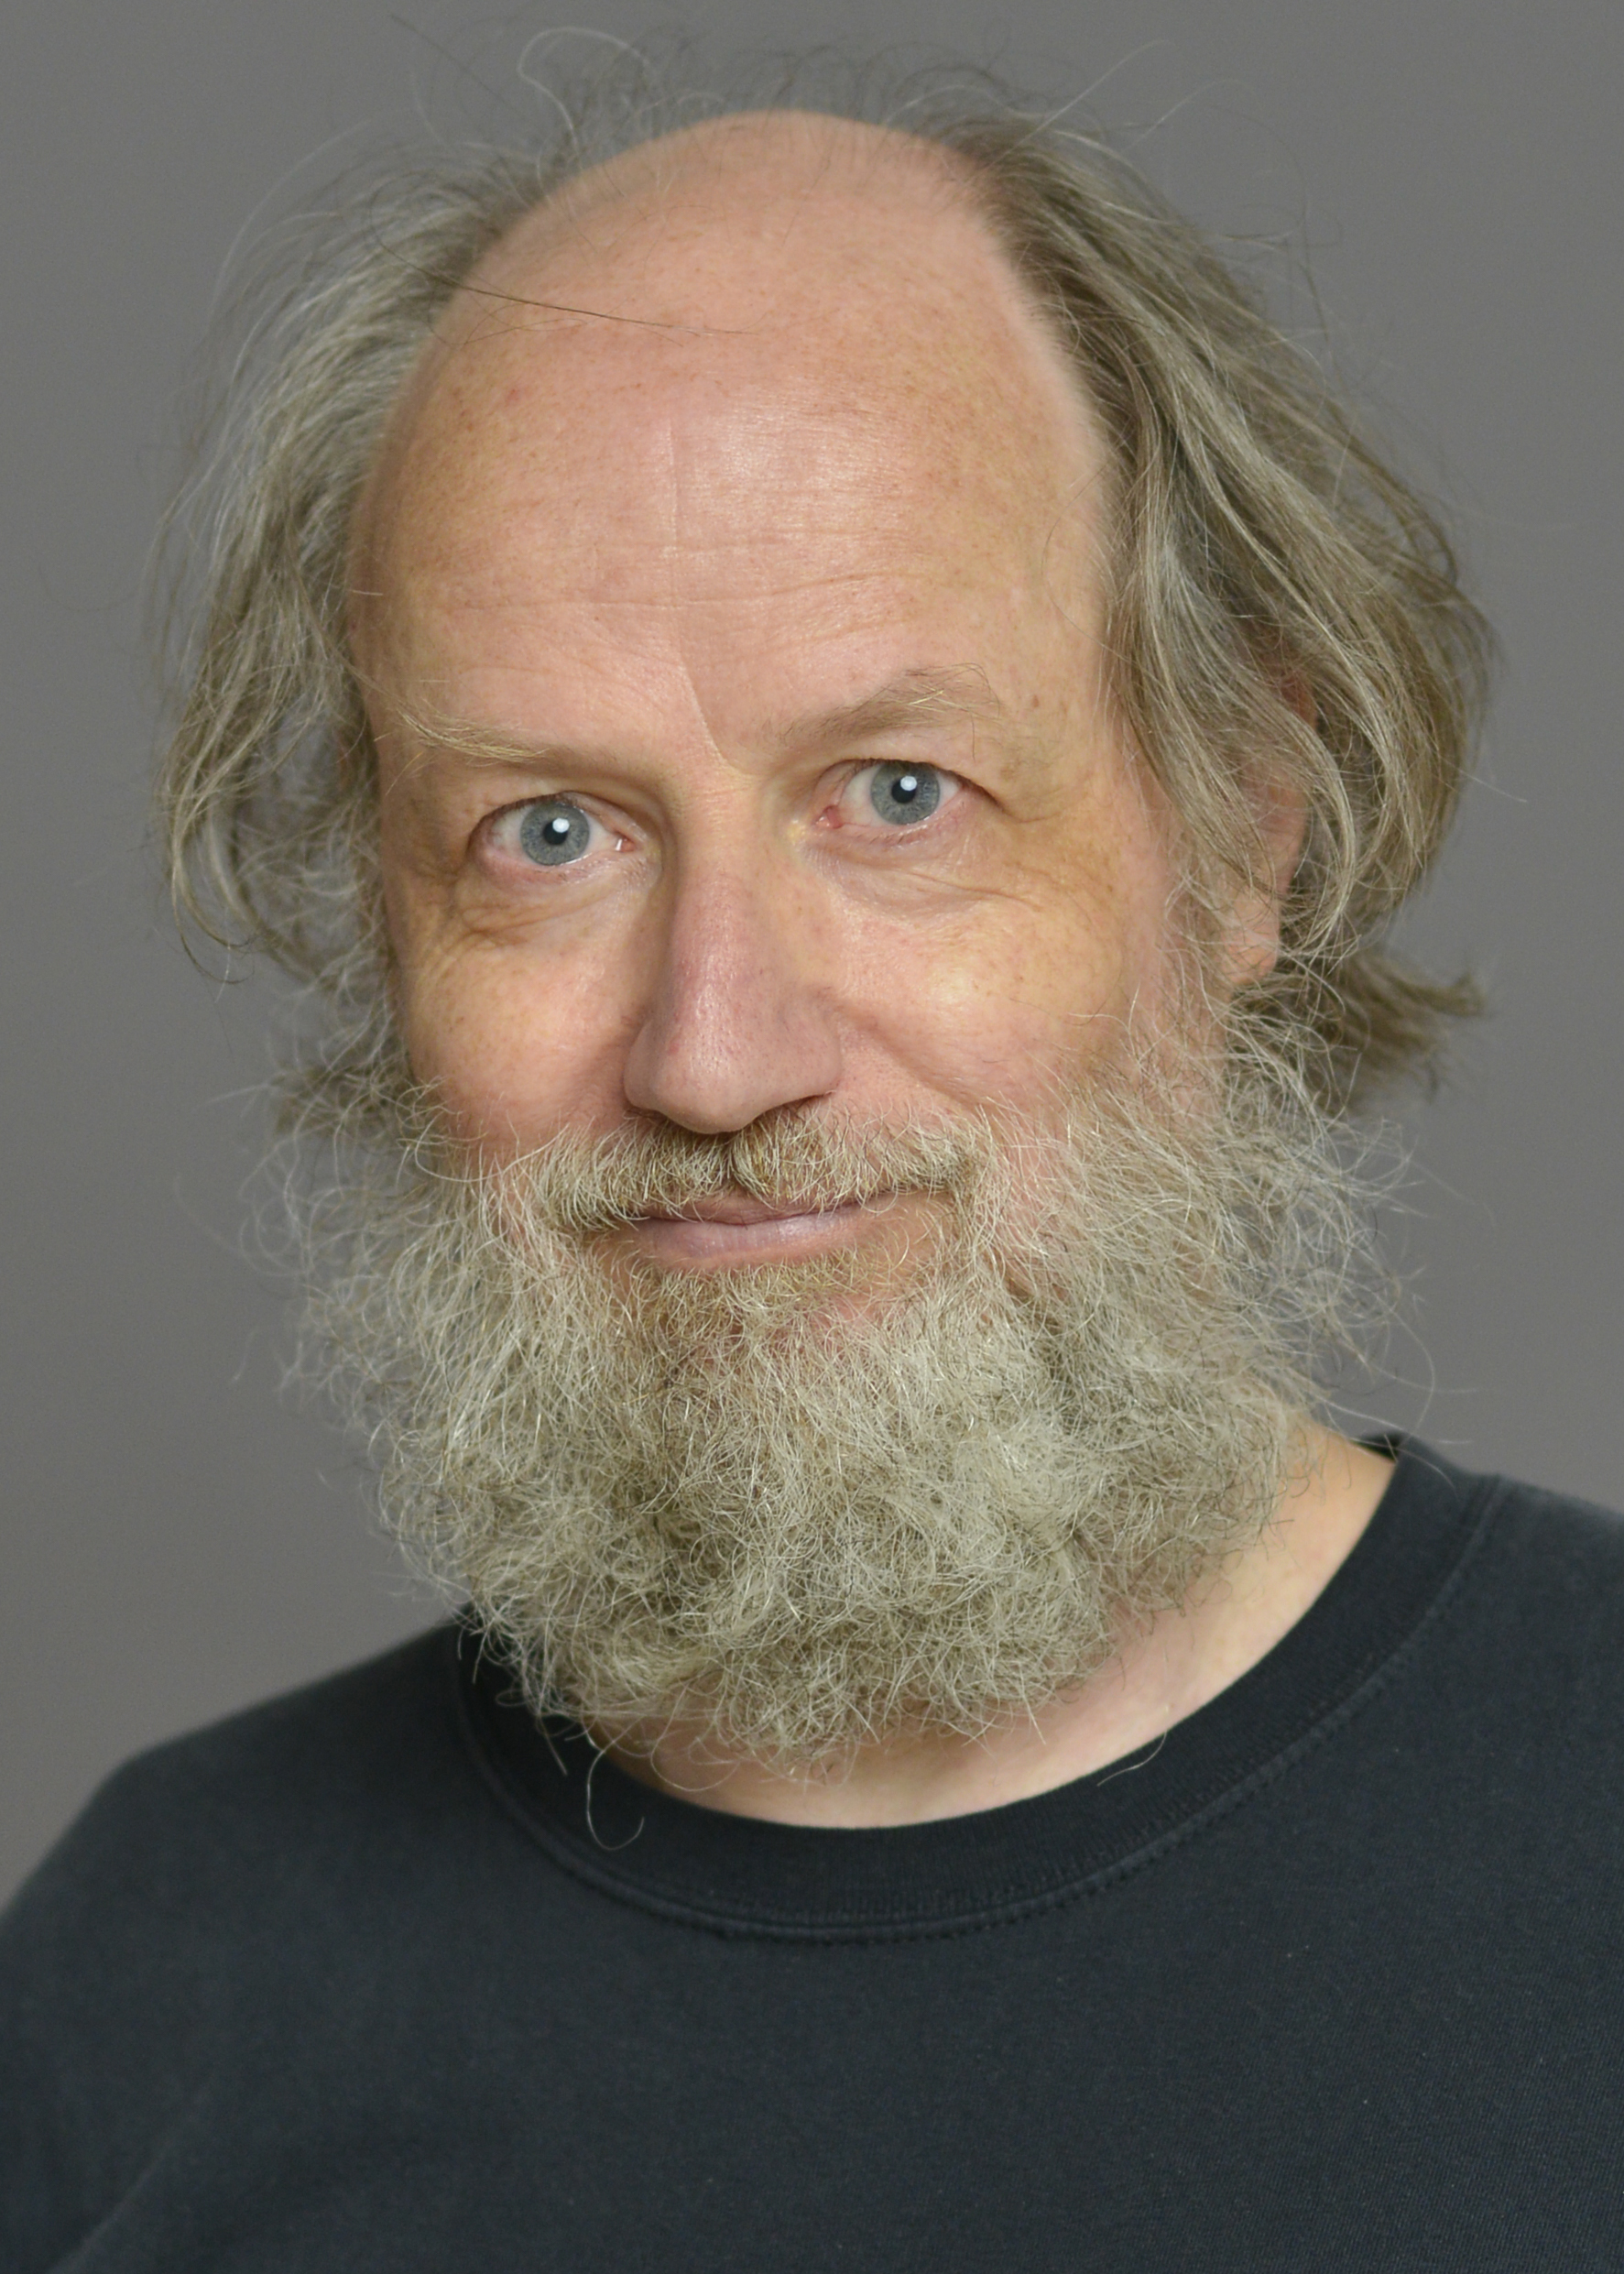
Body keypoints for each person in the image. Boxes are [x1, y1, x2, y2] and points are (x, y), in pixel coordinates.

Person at [5, 77, 1621, 2271]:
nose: (714, 1049)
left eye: (894, 790)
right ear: (384, 925)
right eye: (547, 832)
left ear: (1239, 830)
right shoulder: (138, 1988)